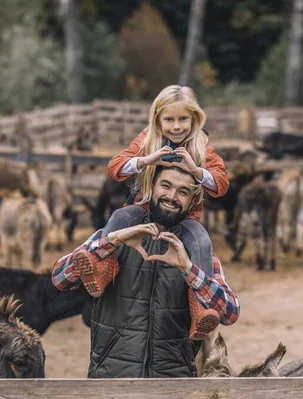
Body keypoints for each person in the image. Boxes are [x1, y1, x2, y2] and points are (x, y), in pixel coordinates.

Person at [52, 165, 239, 378]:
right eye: (165, 186)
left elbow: (230, 313)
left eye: (183, 192)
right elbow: (59, 277)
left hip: (172, 384)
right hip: (112, 379)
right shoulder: (115, 235)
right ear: (151, 188)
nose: (172, 196)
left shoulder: (195, 251)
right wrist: (112, 242)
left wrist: (188, 270)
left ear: (191, 201)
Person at [78, 85, 230, 340]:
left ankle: (200, 307)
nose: (176, 126)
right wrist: (146, 159)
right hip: (143, 206)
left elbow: (221, 184)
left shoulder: (202, 144)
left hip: (185, 216)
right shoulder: (148, 139)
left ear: (194, 119)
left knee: (201, 240)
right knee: (119, 218)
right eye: (169, 119)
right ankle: (101, 267)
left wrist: (196, 170)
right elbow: (115, 167)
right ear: (158, 119)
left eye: (183, 119)